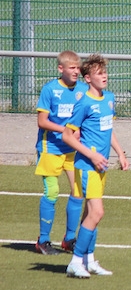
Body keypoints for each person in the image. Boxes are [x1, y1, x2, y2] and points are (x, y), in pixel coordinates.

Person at [61, 54, 129, 277]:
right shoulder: (84, 103)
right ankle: (75, 261)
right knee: (97, 212)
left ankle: (89, 260)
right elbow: (67, 136)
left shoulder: (109, 98)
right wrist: (92, 155)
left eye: (105, 72)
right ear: (88, 78)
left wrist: (120, 153)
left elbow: (108, 129)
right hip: (87, 166)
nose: (104, 76)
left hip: (101, 166)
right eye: (99, 73)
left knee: (90, 213)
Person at [33, 50, 88, 256]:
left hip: (73, 151)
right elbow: (42, 121)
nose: (76, 71)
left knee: (78, 191)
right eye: (72, 68)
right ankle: (43, 241)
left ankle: (69, 239)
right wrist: (66, 131)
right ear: (60, 69)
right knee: (52, 192)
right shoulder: (50, 89)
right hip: (51, 149)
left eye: (78, 68)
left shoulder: (83, 90)